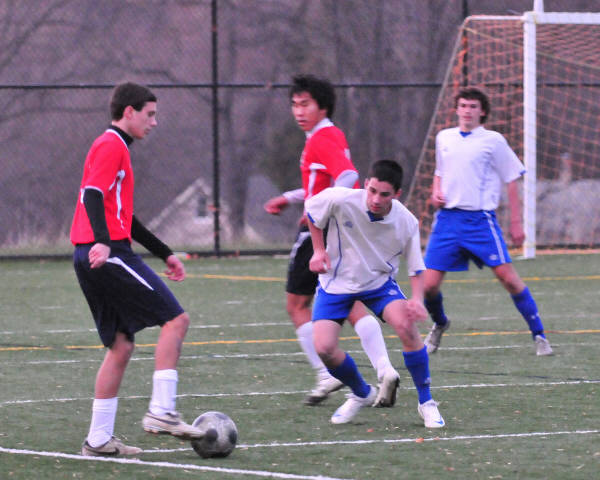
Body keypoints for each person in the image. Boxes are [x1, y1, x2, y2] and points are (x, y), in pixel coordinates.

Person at [71, 82, 207, 457]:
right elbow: (92, 195)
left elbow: (124, 217)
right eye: (150, 114)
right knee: (176, 320)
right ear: (128, 112)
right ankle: (162, 411)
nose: (154, 122)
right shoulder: (111, 144)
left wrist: (165, 253)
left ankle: (98, 440)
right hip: (107, 253)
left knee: (121, 346)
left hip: (93, 253)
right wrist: (102, 241)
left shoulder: (116, 147)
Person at [264, 75, 400, 408]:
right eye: (295, 105)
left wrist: (324, 209)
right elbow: (322, 183)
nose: (299, 111)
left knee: (297, 305)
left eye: (305, 104)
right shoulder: (328, 135)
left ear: (322, 106)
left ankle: (327, 374)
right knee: (349, 302)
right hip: (339, 229)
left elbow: (348, 175)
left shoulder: (322, 138)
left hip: (320, 231)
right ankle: (385, 369)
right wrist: (291, 197)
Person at [304, 159, 445, 427]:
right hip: (336, 282)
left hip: (378, 283)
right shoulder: (341, 199)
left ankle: (426, 402)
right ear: (366, 184)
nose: (376, 199)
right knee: (324, 348)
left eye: (385, 194)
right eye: (372, 191)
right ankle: (361, 392)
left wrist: (416, 300)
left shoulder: (406, 221)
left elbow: (416, 268)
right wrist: (319, 250)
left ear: (397, 194)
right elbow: (312, 212)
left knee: (406, 327)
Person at [423, 87, 553, 356]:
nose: (467, 111)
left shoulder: (493, 141)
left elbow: (511, 179)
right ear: (456, 109)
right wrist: (435, 191)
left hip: (480, 222)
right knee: (428, 285)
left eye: (473, 106)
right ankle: (440, 323)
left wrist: (516, 223)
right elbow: (440, 171)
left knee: (509, 279)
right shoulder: (444, 137)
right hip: (447, 221)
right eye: (463, 105)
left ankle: (539, 335)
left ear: (482, 111)